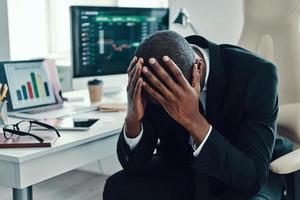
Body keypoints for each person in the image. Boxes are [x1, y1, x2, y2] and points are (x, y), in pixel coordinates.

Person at [103, 30, 292, 200]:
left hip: (243, 169)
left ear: (198, 68)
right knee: (117, 188)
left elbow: (252, 178)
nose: (163, 107)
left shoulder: (257, 74)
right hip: (185, 167)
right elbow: (134, 166)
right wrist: (133, 119)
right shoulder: (155, 74)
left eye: (169, 102)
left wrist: (193, 120)